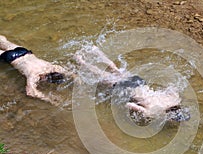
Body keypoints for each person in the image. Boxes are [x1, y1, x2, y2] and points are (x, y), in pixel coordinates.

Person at [0, 35, 189, 121]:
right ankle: (81, 60)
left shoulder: (174, 99)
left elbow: (174, 87)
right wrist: (51, 99)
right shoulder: (39, 72)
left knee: (114, 68)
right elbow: (129, 106)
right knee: (98, 76)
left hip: (139, 82)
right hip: (15, 57)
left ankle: (95, 52)